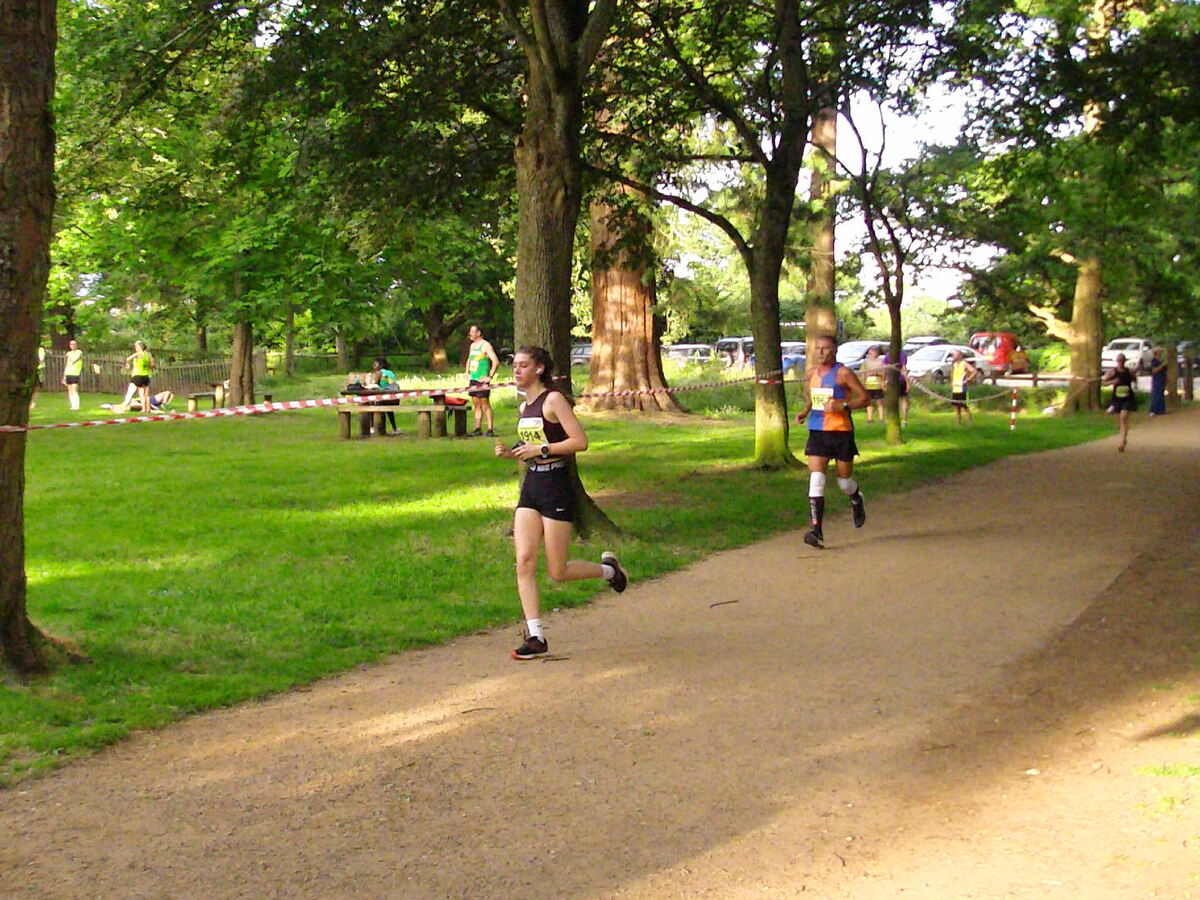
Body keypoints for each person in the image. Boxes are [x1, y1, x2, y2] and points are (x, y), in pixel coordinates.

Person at [492, 346, 628, 659]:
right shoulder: (525, 404)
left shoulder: (553, 400)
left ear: (539, 369)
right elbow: (532, 444)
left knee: (558, 571)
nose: (516, 370)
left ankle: (609, 571)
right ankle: (536, 636)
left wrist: (541, 451)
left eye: (523, 365)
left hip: (555, 485)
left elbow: (579, 441)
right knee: (524, 560)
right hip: (532, 485)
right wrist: (513, 453)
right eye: (515, 366)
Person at [793, 334, 869, 549]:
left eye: (825, 348)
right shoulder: (811, 373)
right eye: (817, 348)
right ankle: (816, 531)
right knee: (816, 479)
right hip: (817, 431)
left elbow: (865, 399)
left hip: (841, 432)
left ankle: (856, 498)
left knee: (844, 482)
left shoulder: (843, 373)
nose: (820, 352)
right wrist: (805, 411)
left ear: (834, 350)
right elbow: (814, 396)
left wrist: (842, 406)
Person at [464, 325, 500, 437]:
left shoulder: (486, 345)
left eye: (472, 331)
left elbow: (495, 361)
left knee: (485, 404)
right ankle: (477, 428)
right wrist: (467, 372)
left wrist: (490, 376)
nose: (470, 334)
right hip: (473, 379)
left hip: (482, 380)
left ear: (479, 333)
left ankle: (490, 429)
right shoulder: (472, 346)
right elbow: (469, 359)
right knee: (476, 404)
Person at [1102, 353, 1137, 452]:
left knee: (1123, 418)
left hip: (1128, 398)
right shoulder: (1113, 372)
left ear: (1124, 361)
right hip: (1117, 399)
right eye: (1119, 360)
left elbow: (1135, 380)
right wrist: (1112, 382)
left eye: (1122, 360)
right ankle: (1123, 438)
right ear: (1117, 361)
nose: (1120, 362)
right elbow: (1103, 383)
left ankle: (1123, 441)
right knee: (1120, 421)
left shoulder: (1128, 371)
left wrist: (1134, 376)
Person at [120, 341, 154, 415]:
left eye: (136, 346)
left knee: (131, 392)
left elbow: (127, 359)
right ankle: (144, 409)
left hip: (137, 375)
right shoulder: (147, 355)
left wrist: (127, 364)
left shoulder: (138, 354)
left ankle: (123, 408)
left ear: (139, 347)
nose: (135, 348)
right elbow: (152, 365)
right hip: (146, 376)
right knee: (143, 394)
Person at [370, 356, 400, 433]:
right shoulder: (390, 373)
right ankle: (394, 428)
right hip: (394, 399)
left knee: (371, 403)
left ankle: (373, 426)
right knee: (389, 410)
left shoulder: (379, 373)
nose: (373, 367)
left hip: (384, 399)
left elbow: (374, 385)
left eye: (375, 365)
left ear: (380, 365)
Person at [949, 349, 978, 425]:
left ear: (959, 356)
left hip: (962, 389)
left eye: (955, 355)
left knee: (965, 406)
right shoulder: (954, 365)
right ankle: (958, 423)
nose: (953, 356)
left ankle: (969, 423)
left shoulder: (964, 363)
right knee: (956, 407)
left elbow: (974, 371)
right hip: (955, 388)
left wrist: (968, 380)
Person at [860, 345, 886, 423]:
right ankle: (870, 419)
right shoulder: (865, 362)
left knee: (879, 402)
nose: (871, 354)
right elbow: (862, 373)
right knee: (869, 402)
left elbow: (884, 372)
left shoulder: (881, 361)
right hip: (868, 385)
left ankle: (881, 418)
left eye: (872, 352)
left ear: (877, 353)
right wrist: (863, 383)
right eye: (869, 353)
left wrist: (882, 380)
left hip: (878, 384)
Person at [884, 346, 910, 427]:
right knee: (903, 399)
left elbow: (885, 369)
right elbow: (904, 368)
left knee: (893, 400)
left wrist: (884, 380)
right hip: (899, 380)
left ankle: (891, 418)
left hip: (892, 380)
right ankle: (904, 420)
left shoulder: (888, 355)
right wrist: (907, 382)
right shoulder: (902, 355)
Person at [61, 339, 84, 411]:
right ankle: (72, 405)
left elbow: (74, 360)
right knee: (70, 390)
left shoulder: (79, 352)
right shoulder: (69, 353)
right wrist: (64, 376)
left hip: (75, 373)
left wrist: (69, 356)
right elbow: (67, 365)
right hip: (68, 373)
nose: (73, 346)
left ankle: (76, 405)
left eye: (74, 344)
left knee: (74, 389)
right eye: (71, 344)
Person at [1148, 347, 1167, 416]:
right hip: (1157, 380)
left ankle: (1161, 410)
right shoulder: (1154, 361)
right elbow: (1154, 370)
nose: (1160, 353)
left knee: (1161, 395)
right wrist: (1162, 365)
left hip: (1162, 379)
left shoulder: (1161, 360)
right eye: (1159, 352)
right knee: (1156, 395)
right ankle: (1153, 410)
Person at [30, 345, 45, 410]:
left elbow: (41, 359)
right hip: (31, 369)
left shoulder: (40, 350)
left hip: (38, 370)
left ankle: (32, 403)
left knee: (36, 387)